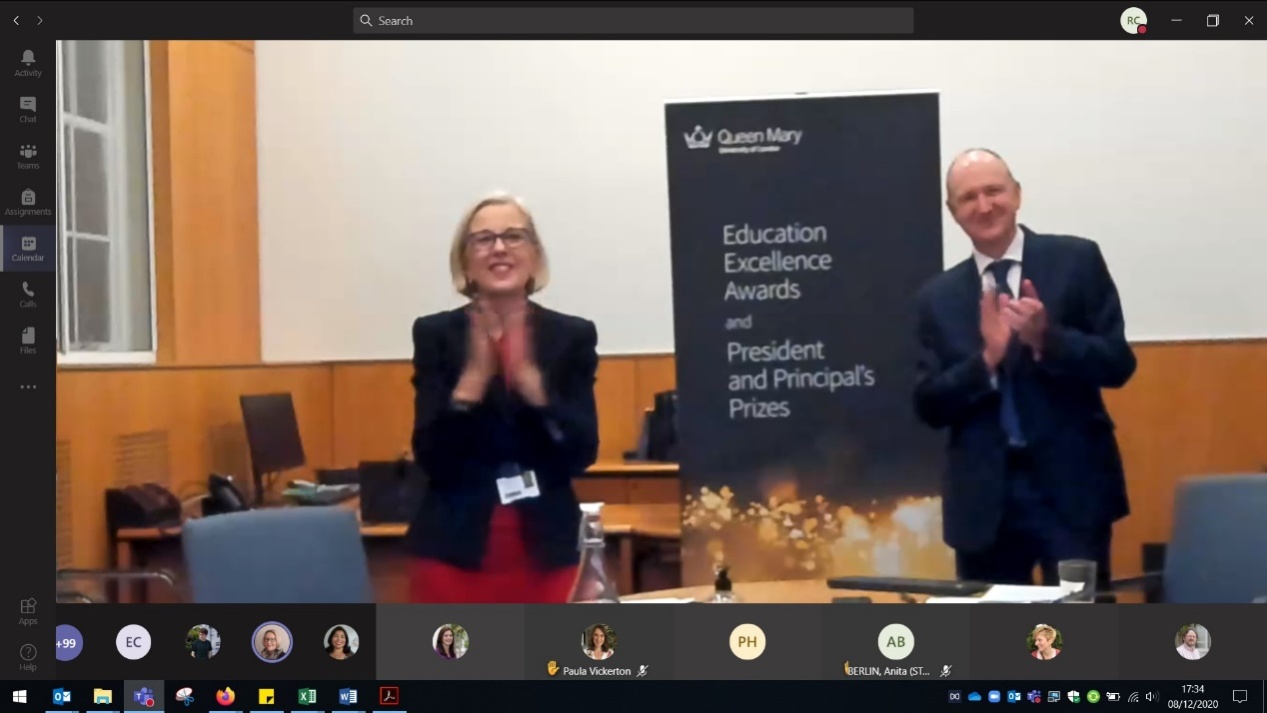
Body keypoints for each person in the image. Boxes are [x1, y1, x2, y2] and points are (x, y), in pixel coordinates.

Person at [914, 148, 1136, 588]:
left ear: (1016, 194)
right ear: (953, 212)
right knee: (993, 630)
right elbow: (929, 405)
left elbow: (1117, 364)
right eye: (968, 197)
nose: (984, 206)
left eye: (994, 191)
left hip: (1072, 491)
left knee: (1078, 626)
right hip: (984, 503)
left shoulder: (1076, 261)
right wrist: (987, 360)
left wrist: (1046, 339)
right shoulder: (937, 298)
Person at [406, 193, 600, 604]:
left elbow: (582, 453)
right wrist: (472, 382)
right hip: (454, 550)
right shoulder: (435, 334)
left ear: (534, 255)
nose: (499, 248)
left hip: (549, 549)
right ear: (465, 261)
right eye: (483, 239)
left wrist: (535, 389)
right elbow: (432, 457)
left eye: (513, 236)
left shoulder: (571, 336)